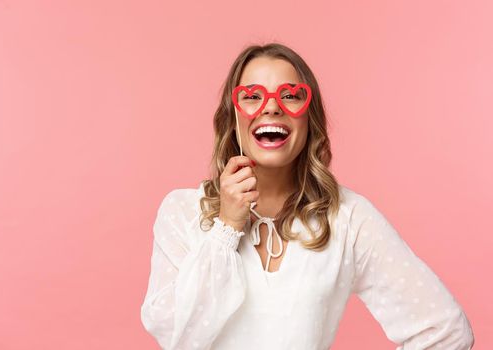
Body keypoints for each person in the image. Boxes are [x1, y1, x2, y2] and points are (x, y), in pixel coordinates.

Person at [139, 43, 475, 350]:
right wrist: (226, 226)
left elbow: (444, 331)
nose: (271, 108)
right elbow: (176, 336)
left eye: (291, 95)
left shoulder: (349, 218)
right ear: (234, 116)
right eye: (253, 96)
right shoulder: (182, 212)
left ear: (309, 118)